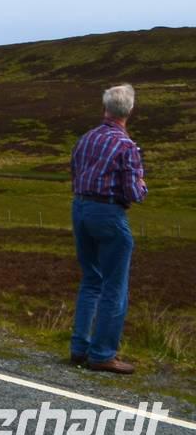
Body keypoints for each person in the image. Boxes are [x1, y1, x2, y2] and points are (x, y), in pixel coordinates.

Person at [69, 84, 147, 374]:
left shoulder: (86, 138)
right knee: (115, 285)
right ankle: (102, 353)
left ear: (105, 107)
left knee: (91, 279)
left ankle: (80, 347)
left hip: (80, 207)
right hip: (109, 212)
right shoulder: (127, 146)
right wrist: (142, 186)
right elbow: (133, 192)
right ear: (129, 110)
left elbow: (74, 171)